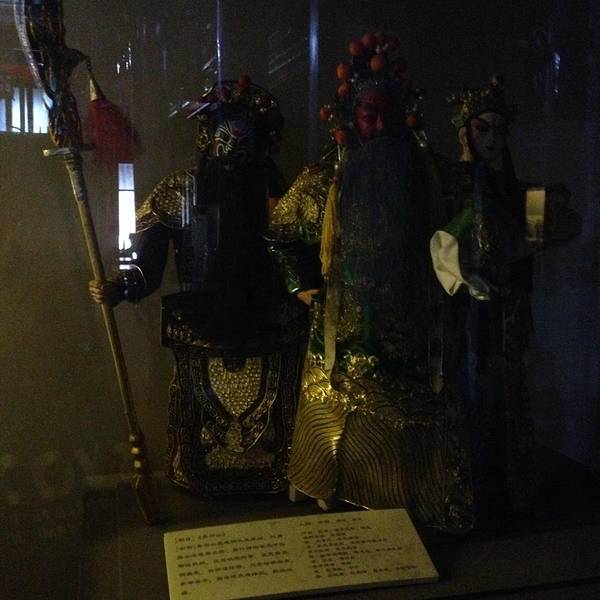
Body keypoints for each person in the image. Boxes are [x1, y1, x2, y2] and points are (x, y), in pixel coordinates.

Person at [267, 33, 473, 532]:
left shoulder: (432, 178)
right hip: (341, 334)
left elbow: (471, 221)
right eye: (368, 114)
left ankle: (422, 496)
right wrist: (300, 286)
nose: (378, 125)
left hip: (416, 334)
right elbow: (279, 235)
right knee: (337, 416)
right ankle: (326, 483)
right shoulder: (324, 181)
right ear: (349, 118)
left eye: (388, 114)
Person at [90, 78, 307, 496]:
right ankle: (199, 474)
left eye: (244, 143)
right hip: (199, 326)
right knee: (198, 418)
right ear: (208, 140)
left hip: (270, 323)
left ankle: (278, 473)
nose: (234, 152)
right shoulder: (179, 192)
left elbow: (300, 252)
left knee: (275, 411)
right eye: (225, 140)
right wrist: (122, 286)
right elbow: (147, 265)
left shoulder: (280, 195)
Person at [430, 77, 581, 529]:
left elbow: (535, 240)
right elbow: (437, 241)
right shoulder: (448, 182)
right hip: (464, 307)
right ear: (466, 132)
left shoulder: (518, 189)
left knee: (507, 390)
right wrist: (465, 274)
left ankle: (506, 484)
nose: (493, 140)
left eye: (500, 130)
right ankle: (464, 487)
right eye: (483, 129)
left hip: (507, 305)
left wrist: (542, 213)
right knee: (466, 389)